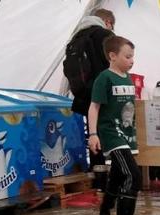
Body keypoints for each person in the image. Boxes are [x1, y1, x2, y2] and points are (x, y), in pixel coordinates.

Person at [89, 36, 140, 215]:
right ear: (112, 56)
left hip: (128, 134)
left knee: (118, 176)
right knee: (133, 175)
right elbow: (94, 107)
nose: (132, 60)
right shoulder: (104, 78)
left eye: (133, 57)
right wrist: (93, 134)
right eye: (127, 56)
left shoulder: (128, 78)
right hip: (111, 134)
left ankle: (105, 211)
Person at [65, 9, 115, 196]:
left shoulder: (77, 36)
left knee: (93, 138)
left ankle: (99, 181)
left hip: (85, 96)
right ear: (107, 22)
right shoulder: (104, 35)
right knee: (111, 136)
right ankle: (116, 179)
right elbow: (114, 63)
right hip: (104, 94)